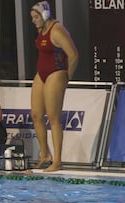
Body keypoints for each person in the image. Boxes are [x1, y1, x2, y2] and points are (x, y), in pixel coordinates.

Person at [30, 1, 78, 172]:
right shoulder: (40, 30)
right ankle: (45, 154)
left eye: (36, 17)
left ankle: (57, 160)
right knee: (36, 115)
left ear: (44, 15)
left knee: (53, 117)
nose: (34, 21)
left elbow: (73, 55)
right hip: (41, 74)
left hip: (56, 74)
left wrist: (67, 77)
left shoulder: (57, 30)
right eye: (32, 18)